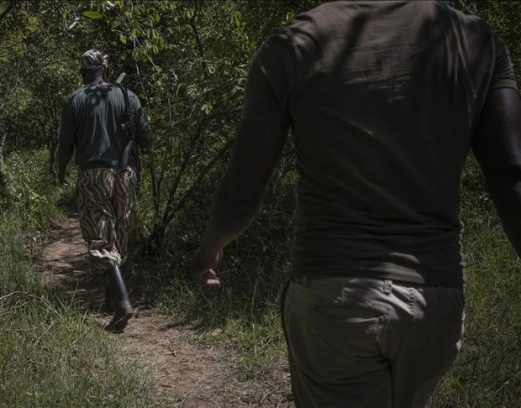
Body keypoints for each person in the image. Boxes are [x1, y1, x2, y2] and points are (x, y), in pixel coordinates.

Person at [190, 1, 520, 407]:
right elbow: (511, 173)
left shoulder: (296, 43)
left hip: (336, 300)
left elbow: (242, 191)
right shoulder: (473, 41)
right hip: (435, 300)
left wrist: (210, 248)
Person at [58, 49, 153, 332]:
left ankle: (122, 303)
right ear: (106, 70)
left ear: (82, 72)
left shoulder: (74, 100)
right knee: (120, 234)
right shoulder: (127, 96)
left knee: (100, 239)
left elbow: (65, 144)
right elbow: (146, 136)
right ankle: (112, 301)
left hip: (93, 174)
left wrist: (61, 170)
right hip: (126, 173)